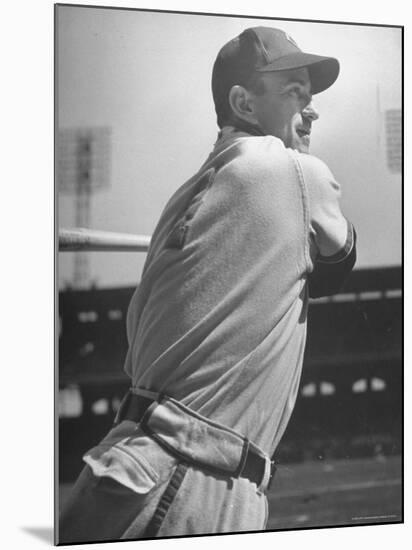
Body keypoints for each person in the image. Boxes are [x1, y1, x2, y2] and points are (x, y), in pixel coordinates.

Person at [59, 26, 356, 543]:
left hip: (125, 466)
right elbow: (340, 260)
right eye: (294, 94)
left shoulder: (185, 198)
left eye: (310, 98)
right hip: (186, 485)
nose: (311, 111)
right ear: (242, 102)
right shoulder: (290, 170)